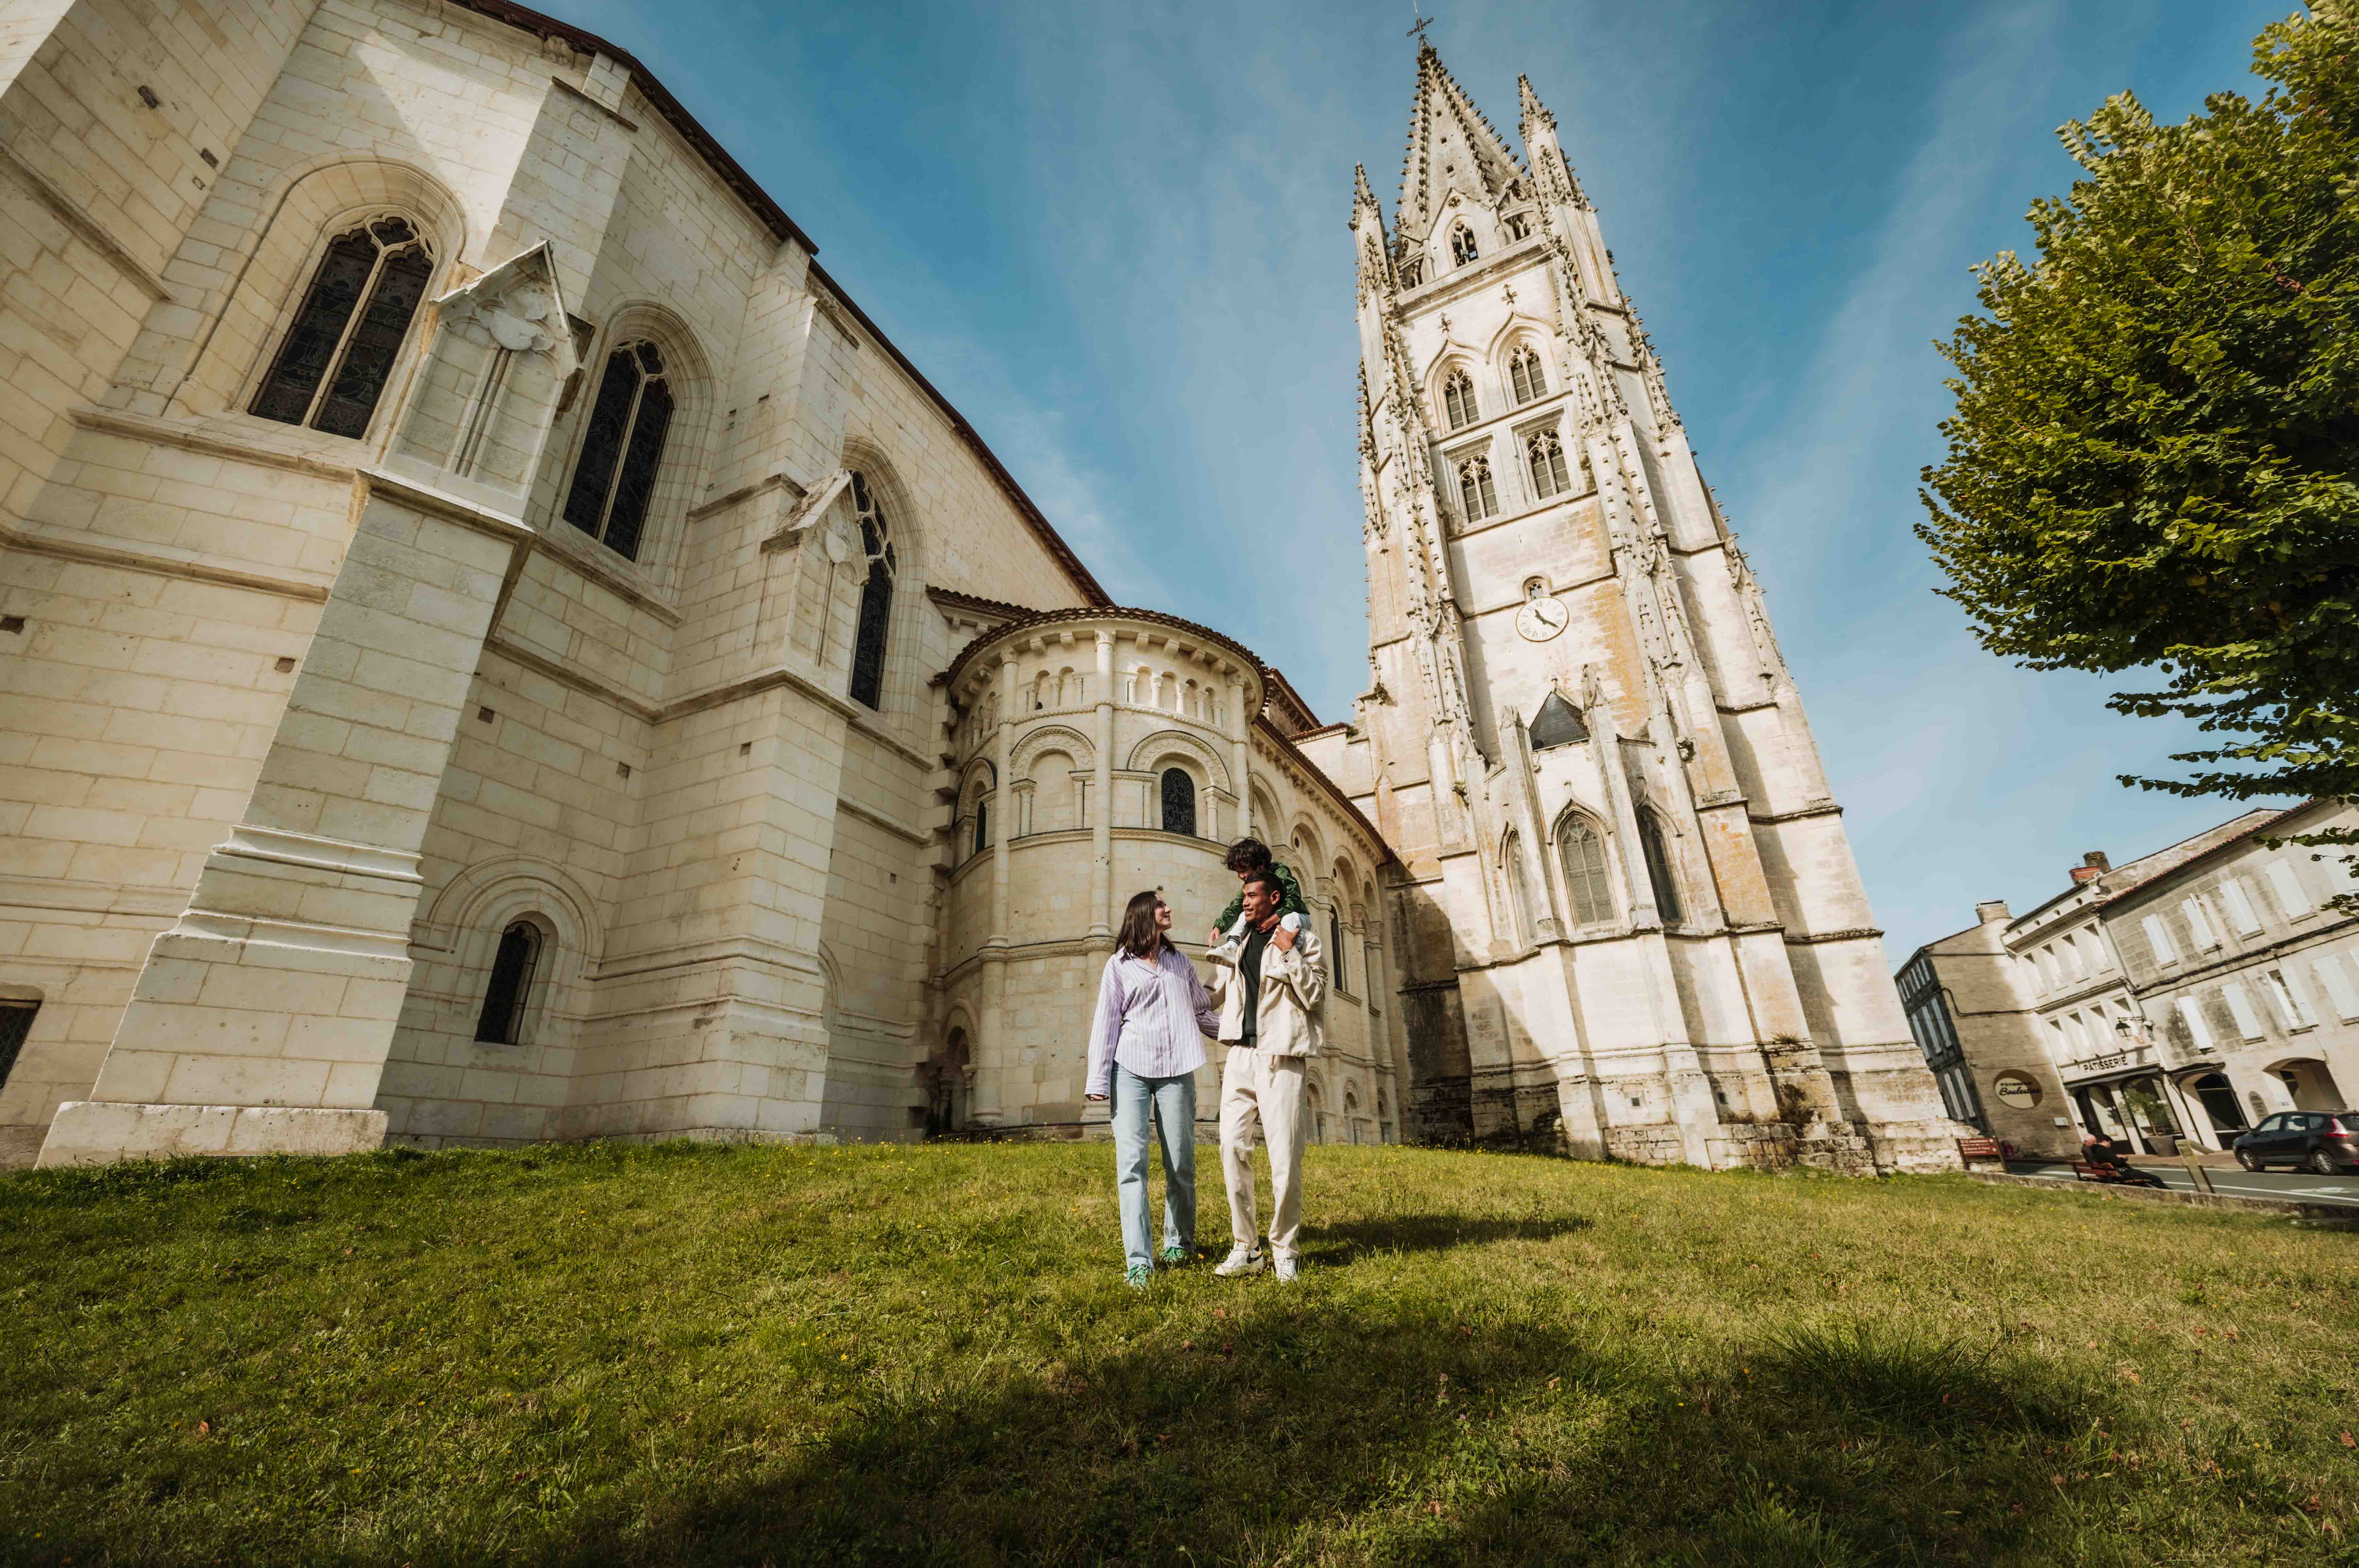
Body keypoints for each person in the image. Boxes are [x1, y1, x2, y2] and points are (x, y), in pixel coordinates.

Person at [1086, 889, 1219, 1289]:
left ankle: (1177, 1242)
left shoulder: (1181, 964)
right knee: (1132, 1165)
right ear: (1144, 914)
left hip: (1178, 1068)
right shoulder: (1118, 966)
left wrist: (1240, 1036)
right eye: (1161, 905)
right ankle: (1139, 1261)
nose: (1169, 908)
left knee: (1180, 1161)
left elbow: (1201, 1012)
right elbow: (1106, 1022)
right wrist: (1097, 1080)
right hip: (1130, 1069)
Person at [1205, 868, 1325, 1282]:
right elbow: (1210, 992)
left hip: (1281, 1056)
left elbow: (1315, 995)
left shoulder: (1305, 942)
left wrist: (1290, 952)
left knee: (1285, 1157)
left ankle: (1284, 1250)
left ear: (1274, 898)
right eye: (1243, 896)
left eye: (1252, 895)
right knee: (1231, 1147)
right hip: (1240, 1055)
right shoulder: (1237, 946)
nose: (1245, 902)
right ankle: (1246, 1247)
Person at [1208, 838, 1308, 950]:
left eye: (1244, 871)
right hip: (1270, 918)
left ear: (1261, 866)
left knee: (1289, 919)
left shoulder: (1280, 873)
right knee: (1244, 915)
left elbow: (1293, 897)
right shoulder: (1250, 884)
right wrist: (1219, 927)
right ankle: (1233, 946)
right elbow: (1236, 907)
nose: (1241, 876)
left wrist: (1274, 919)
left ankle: (1291, 950)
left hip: (1295, 917)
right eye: (1238, 872)